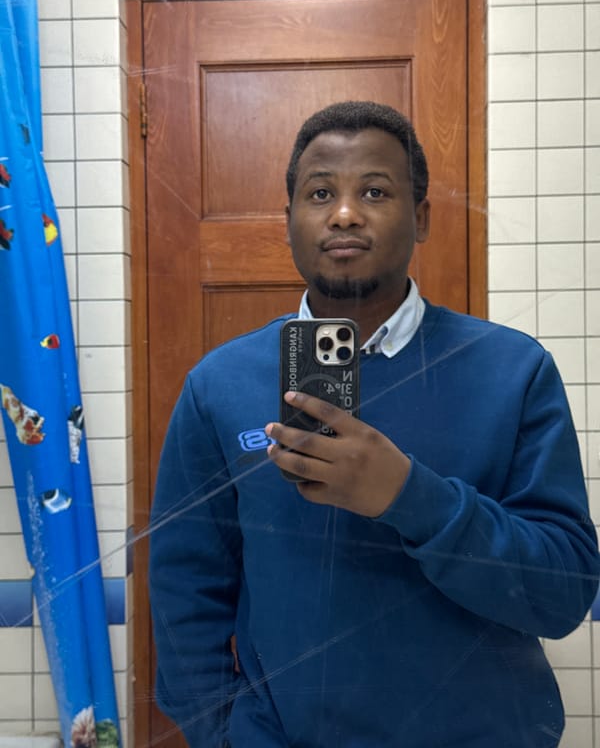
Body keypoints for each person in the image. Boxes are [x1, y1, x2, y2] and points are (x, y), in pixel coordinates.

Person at [149, 101, 600, 747]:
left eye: (376, 191)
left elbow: (562, 597)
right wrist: (226, 735)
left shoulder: (513, 371)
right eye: (321, 192)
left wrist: (410, 497)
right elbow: (183, 592)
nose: (344, 213)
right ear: (289, 222)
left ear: (419, 219)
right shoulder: (220, 385)